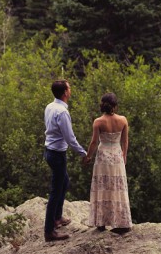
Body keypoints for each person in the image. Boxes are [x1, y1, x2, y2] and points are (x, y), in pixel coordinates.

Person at [43, 79, 87, 242]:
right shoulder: (62, 112)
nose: (71, 90)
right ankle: (49, 231)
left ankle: (57, 217)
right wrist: (83, 153)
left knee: (64, 181)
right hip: (56, 154)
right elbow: (70, 138)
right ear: (65, 93)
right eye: (69, 88)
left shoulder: (50, 106)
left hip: (49, 151)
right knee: (56, 191)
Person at [84, 92, 132, 233]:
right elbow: (125, 141)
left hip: (103, 156)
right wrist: (125, 156)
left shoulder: (98, 122)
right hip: (117, 155)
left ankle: (101, 222)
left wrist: (88, 156)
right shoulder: (123, 120)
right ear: (115, 106)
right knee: (118, 188)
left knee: (102, 187)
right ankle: (121, 222)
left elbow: (94, 142)